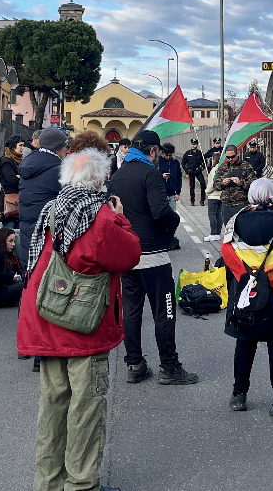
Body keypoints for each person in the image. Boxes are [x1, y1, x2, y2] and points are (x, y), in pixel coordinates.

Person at [19, 149, 140, 491]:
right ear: (100, 180)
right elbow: (128, 254)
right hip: (81, 324)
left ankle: (48, 483)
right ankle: (82, 484)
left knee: (53, 406)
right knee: (85, 409)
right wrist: (121, 218)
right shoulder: (98, 216)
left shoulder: (52, 209)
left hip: (47, 320)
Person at [108, 129, 197, 386]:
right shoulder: (151, 173)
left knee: (132, 311)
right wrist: (174, 222)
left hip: (127, 254)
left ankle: (134, 364)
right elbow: (161, 211)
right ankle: (169, 366)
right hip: (153, 255)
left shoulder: (117, 175)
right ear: (153, 151)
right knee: (164, 311)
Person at [220, 178, 273, 416]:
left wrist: (245, 274)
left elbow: (227, 252)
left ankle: (239, 395)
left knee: (245, 341)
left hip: (247, 290)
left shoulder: (235, 221)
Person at [19, 128, 69, 260]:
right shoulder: (60, 169)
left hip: (27, 225)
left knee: (29, 268)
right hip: (46, 230)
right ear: (57, 148)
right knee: (45, 272)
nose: (67, 150)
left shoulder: (28, 162)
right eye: (65, 146)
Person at [213, 144, 257, 229]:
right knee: (228, 229)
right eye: (228, 157)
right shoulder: (223, 167)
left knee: (241, 228)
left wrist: (241, 183)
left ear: (237, 154)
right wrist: (223, 183)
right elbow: (215, 186)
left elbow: (254, 185)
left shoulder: (246, 166)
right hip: (226, 204)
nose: (230, 159)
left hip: (241, 203)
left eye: (232, 157)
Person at [0, 134, 24, 222]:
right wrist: (22, 177)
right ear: (13, 147)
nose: (22, 148)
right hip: (8, 201)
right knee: (9, 231)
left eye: (23, 145)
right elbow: (13, 181)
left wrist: (20, 177)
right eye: (20, 145)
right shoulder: (5, 162)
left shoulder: (19, 161)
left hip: (18, 200)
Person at [203, 155, 224, 242]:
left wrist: (207, 191)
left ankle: (213, 233)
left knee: (212, 214)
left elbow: (212, 183)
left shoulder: (214, 170)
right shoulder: (223, 169)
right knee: (219, 214)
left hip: (213, 195)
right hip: (221, 195)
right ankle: (218, 233)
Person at [182, 139, 206, 205]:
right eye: (192, 144)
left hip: (198, 171)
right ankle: (192, 200)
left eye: (194, 144)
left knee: (203, 183)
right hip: (191, 171)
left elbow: (204, 162)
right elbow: (183, 163)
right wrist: (187, 170)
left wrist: (201, 168)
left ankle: (202, 200)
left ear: (197, 145)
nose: (193, 145)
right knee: (192, 186)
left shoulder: (200, 153)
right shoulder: (188, 153)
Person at [159, 143, 182, 211]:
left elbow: (179, 177)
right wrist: (161, 176)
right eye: (166, 155)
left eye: (170, 155)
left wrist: (178, 192)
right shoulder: (158, 161)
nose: (168, 157)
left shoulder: (175, 162)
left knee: (172, 214)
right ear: (163, 153)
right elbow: (154, 175)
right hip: (162, 193)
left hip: (172, 193)